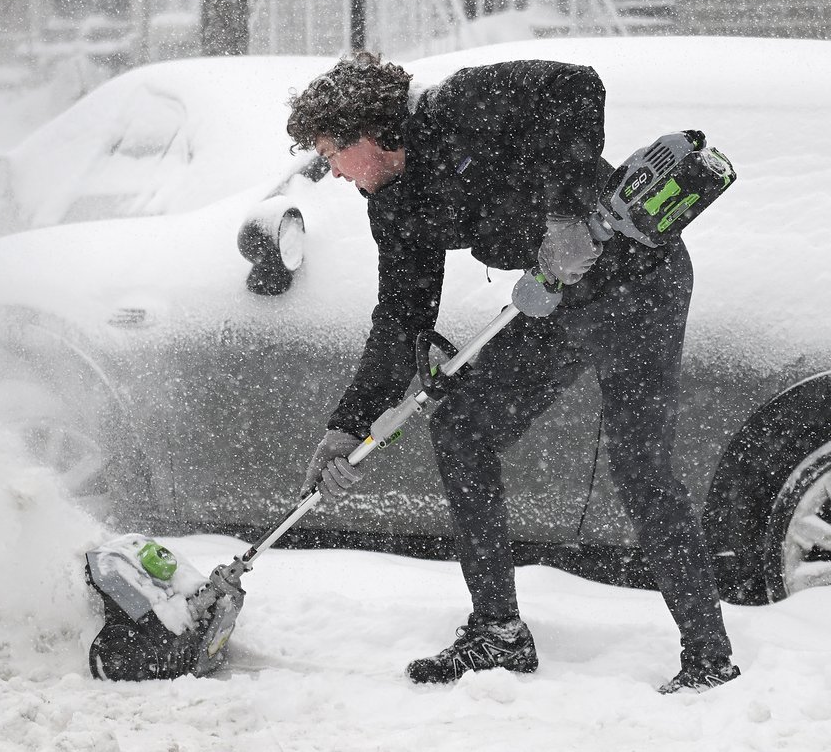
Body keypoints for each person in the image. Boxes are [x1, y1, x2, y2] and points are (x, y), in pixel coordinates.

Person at [287, 52, 738, 694]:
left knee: (640, 465)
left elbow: (578, 83)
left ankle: (709, 656)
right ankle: (498, 632)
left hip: (637, 278)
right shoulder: (394, 207)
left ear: (370, 132)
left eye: (332, 150)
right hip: (557, 297)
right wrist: (349, 426)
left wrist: (560, 213)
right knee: (463, 424)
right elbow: (400, 321)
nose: (330, 169)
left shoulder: (460, 106)